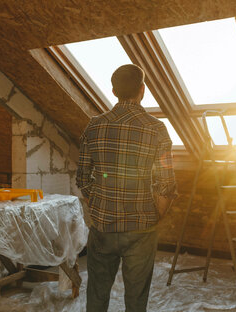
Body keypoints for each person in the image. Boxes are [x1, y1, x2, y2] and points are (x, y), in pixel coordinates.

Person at [76, 64, 178, 312]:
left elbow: (82, 179)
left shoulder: (94, 125)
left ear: (113, 91)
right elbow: (166, 185)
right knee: (136, 298)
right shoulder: (156, 129)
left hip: (102, 227)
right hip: (141, 227)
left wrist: (99, 206)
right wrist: (156, 216)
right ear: (143, 90)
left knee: (97, 294)